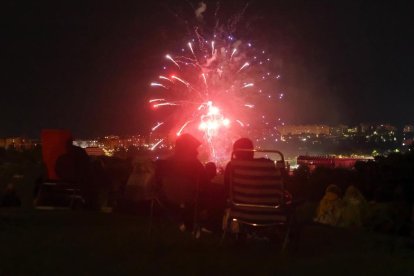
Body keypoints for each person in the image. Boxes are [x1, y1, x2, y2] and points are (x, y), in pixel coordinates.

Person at [154, 133, 206, 232]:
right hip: (188, 199)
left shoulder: (164, 163)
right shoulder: (195, 165)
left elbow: (158, 182)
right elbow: (205, 185)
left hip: (166, 199)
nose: (197, 151)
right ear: (189, 149)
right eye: (195, 148)